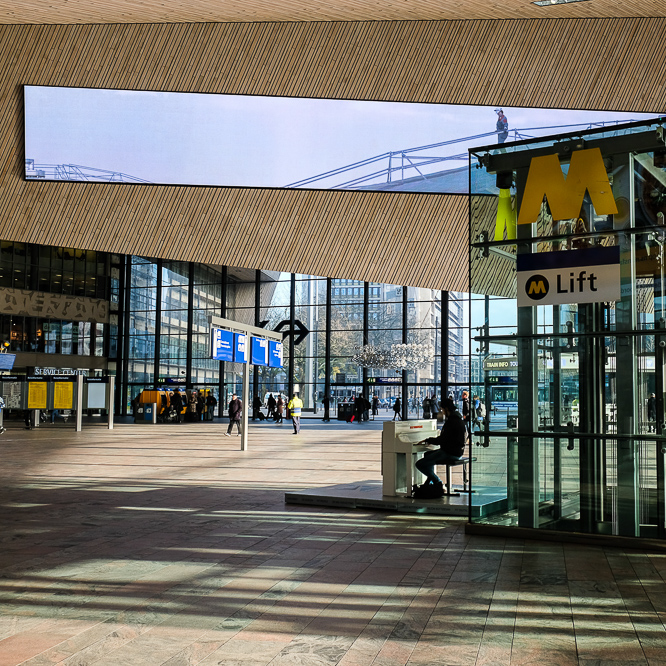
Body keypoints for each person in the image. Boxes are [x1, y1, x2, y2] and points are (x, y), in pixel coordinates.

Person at [414, 397, 466, 491]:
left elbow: (443, 440)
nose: (442, 412)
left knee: (420, 464)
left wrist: (428, 440)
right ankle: (431, 482)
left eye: (442, 409)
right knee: (427, 454)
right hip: (456, 451)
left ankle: (438, 483)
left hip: (450, 453)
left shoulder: (451, 422)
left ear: (446, 409)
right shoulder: (458, 419)